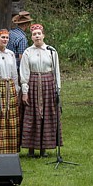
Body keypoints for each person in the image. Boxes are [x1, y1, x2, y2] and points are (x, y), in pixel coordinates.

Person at [20, 24, 62, 158]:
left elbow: (56, 72)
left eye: (39, 33)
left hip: (48, 84)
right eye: (34, 34)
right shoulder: (28, 52)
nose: (37, 36)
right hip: (32, 83)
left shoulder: (51, 51)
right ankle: (31, 148)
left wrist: (57, 90)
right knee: (32, 115)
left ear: (43, 35)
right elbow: (24, 72)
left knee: (47, 114)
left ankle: (44, 148)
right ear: (31, 37)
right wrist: (25, 91)